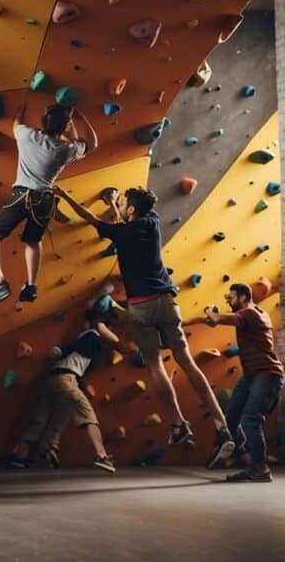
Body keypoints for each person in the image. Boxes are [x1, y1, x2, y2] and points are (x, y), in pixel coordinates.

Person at [55, 185, 235, 465]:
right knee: (187, 361)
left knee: (155, 365)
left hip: (142, 306)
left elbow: (94, 220)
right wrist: (116, 204)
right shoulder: (152, 222)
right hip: (168, 301)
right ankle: (222, 426)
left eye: (124, 203)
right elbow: (124, 224)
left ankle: (178, 424)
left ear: (131, 210)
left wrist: (66, 196)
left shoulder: (122, 231)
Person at [0, 104, 97, 308]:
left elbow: (16, 124)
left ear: (43, 121)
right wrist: (78, 118)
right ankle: (31, 286)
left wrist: (19, 110)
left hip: (21, 194)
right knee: (32, 242)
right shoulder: (66, 150)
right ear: (65, 127)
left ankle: (0, 281)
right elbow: (92, 143)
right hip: (45, 199)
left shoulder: (27, 136)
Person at [4, 312, 119, 473]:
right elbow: (109, 340)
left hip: (52, 378)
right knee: (86, 414)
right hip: (66, 378)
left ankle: (22, 455)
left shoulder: (85, 342)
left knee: (46, 417)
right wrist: (99, 326)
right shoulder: (92, 335)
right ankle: (102, 456)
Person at [201, 283, 284, 481]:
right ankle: (244, 453)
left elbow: (216, 317)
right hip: (251, 376)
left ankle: (260, 468)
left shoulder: (251, 313)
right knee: (231, 417)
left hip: (267, 374)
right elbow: (220, 320)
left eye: (231, 298)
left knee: (250, 420)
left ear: (244, 297)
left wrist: (209, 311)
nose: (228, 302)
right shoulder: (250, 315)